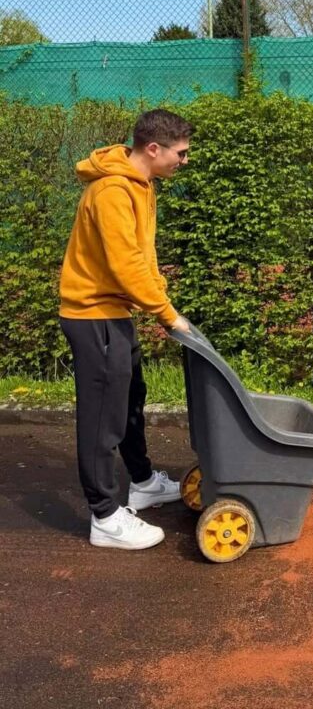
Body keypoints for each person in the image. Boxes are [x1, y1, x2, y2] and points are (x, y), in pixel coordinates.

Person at [59, 109, 193, 548]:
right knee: (103, 419)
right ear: (153, 149)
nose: (184, 160)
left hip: (113, 313)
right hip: (92, 314)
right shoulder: (113, 190)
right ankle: (104, 516)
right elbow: (124, 265)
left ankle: (142, 482)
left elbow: (143, 256)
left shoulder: (142, 185)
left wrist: (160, 297)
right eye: (181, 152)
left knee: (131, 398)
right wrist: (168, 315)